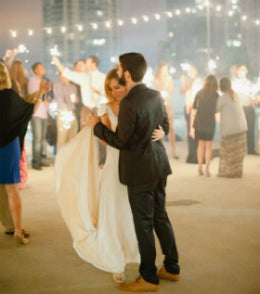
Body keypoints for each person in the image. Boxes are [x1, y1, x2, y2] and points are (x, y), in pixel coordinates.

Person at [86, 53, 180, 292]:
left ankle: (148, 277)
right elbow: (166, 125)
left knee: (144, 224)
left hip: (139, 170)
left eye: (119, 68)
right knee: (161, 216)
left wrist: (97, 127)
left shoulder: (129, 102)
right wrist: (161, 133)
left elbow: (121, 141)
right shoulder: (155, 95)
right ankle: (171, 267)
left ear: (127, 74)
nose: (117, 71)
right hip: (159, 165)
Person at [55, 68, 147, 283]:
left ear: (126, 86)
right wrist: (97, 127)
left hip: (136, 164)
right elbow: (106, 141)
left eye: (118, 87)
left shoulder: (135, 104)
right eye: (111, 88)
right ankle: (115, 259)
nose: (115, 92)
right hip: (115, 163)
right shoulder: (106, 108)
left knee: (132, 209)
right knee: (113, 208)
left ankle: (135, 253)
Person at [0, 61, 49, 245]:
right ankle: (18, 231)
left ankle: (11, 225)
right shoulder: (10, 96)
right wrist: (40, 94)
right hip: (9, 146)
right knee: (11, 190)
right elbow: (28, 109)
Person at [52, 56, 106, 167]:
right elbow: (68, 73)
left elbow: (108, 93)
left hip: (99, 107)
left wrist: (99, 94)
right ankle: (85, 159)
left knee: (102, 134)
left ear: (93, 64)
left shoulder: (103, 77)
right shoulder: (84, 77)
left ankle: (102, 161)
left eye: (87, 62)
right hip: (86, 108)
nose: (85, 64)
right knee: (84, 134)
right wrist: (58, 64)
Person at [216, 77, 247, 177]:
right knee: (238, 153)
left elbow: (216, 109)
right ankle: (237, 172)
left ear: (220, 87)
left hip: (230, 130)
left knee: (227, 151)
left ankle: (227, 172)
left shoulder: (223, 98)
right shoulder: (235, 95)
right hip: (241, 127)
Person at [190, 75, 219, 176]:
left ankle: (199, 167)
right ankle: (207, 168)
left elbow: (193, 107)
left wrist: (191, 126)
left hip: (199, 122)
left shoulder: (199, 93)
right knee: (209, 146)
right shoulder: (216, 95)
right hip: (210, 123)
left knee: (200, 145)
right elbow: (217, 110)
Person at [9, 59, 29, 189]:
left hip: (9, 119)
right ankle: (20, 177)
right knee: (20, 147)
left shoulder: (9, 82)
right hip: (19, 118)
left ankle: (13, 177)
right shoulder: (23, 83)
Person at [28, 62, 51, 170]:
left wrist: (47, 95)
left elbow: (44, 95)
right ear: (35, 70)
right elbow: (34, 96)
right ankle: (35, 161)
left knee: (42, 138)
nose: (43, 69)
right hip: (36, 113)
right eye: (41, 68)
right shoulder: (33, 81)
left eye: (43, 67)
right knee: (37, 138)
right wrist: (44, 96)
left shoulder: (44, 81)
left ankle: (41, 159)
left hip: (44, 113)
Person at [154, 62, 179, 159]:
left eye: (166, 69)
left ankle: (174, 150)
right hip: (159, 105)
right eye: (164, 69)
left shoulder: (169, 78)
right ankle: (159, 150)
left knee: (171, 128)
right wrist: (164, 82)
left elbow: (172, 91)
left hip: (168, 105)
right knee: (159, 128)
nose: (165, 71)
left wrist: (168, 83)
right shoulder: (156, 79)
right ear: (160, 70)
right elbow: (158, 88)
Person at [180, 65, 203, 163]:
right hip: (188, 108)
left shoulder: (198, 81)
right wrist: (183, 82)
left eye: (192, 70)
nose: (190, 72)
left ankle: (198, 155)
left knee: (197, 130)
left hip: (196, 108)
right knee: (190, 131)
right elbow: (181, 91)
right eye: (189, 71)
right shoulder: (187, 82)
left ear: (196, 71)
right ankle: (192, 155)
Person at [232, 65, 255, 154]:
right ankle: (239, 148)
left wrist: (253, 100)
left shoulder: (249, 83)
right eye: (242, 70)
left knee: (250, 128)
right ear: (237, 72)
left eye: (245, 70)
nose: (244, 72)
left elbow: (253, 94)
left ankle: (251, 149)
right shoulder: (235, 83)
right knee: (240, 130)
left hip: (249, 107)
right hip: (239, 108)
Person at [54, 72, 78, 151]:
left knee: (73, 136)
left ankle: (69, 158)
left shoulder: (73, 86)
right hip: (63, 113)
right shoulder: (57, 85)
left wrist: (75, 100)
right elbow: (59, 99)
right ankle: (60, 159)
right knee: (62, 137)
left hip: (72, 112)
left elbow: (74, 100)